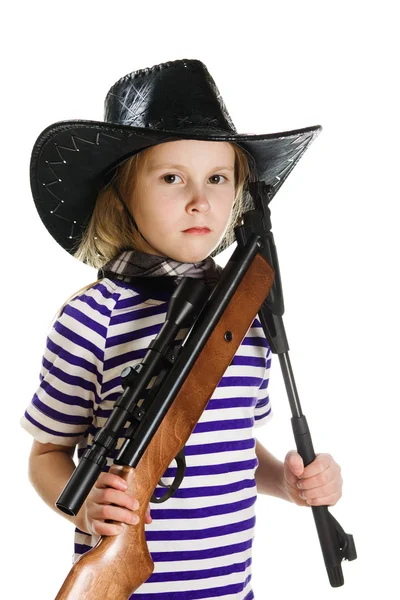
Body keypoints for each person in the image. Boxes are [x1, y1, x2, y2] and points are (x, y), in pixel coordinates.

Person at [21, 58, 343, 599]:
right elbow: (47, 456)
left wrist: (288, 483)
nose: (201, 199)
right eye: (172, 177)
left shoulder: (244, 319)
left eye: (218, 178)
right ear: (121, 193)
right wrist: (82, 505)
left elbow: (235, 445)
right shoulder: (91, 319)